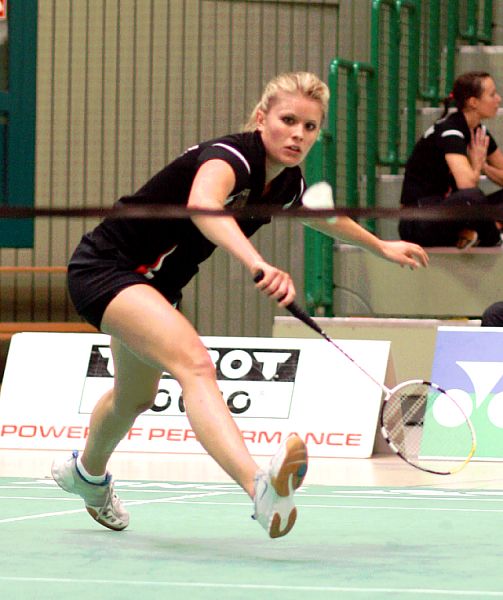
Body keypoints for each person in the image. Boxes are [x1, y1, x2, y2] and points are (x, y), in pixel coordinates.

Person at [51, 72, 428, 539]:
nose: (298, 134)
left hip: (156, 287)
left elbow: (322, 216)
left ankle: (85, 475)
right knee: (194, 365)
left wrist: (381, 247)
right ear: (260, 118)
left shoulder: (287, 183)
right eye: (288, 120)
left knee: (134, 398)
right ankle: (257, 486)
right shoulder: (229, 157)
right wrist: (257, 263)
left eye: (310, 127)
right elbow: (203, 204)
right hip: (106, 268)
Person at [399, 71, 503, 249]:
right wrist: (477, 165)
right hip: (420, 221)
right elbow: (467, 186)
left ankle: (472, 234)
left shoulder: (477, 131)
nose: (498, 99)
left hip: (450, 213)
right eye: (492, 94)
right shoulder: (450, 130)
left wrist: (485, 167)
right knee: (472, 198)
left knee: (472, 201)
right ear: (473, 102)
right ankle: (493, 239)